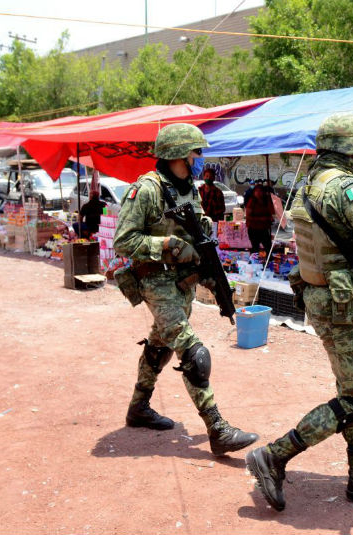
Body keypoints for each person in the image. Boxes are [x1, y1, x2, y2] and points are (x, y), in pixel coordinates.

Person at [246, 112, 353, 511]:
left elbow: (338, 238)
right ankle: (274, 455)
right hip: (346, 307)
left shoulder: (312, 183)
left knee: (350, 389)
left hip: (321, 299)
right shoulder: (347, 188)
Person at [113, 123, 258, 456]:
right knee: (193, 353)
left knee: (159, 346)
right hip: (154, 282)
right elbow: (124, 240)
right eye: (195, 153)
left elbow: (198, 230)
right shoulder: (146, 190)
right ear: (178, 154)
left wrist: (206, 269)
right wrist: (168, 245)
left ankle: (139, 407)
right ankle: (217, 428)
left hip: (181, 284)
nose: (198, 161)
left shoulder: (188, 190)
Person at [244, 180, 275, 254]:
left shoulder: (266, 201)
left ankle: (268, 261)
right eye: (256, 191)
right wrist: (260, 219)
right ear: (254, 193)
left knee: (268, 247)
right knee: (255, 249)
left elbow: (272, 212)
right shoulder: (252, 201)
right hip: (254, 229)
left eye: (260, 191)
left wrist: (269, 198)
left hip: (264, 229)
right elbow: (248, 217)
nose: (258, 193)